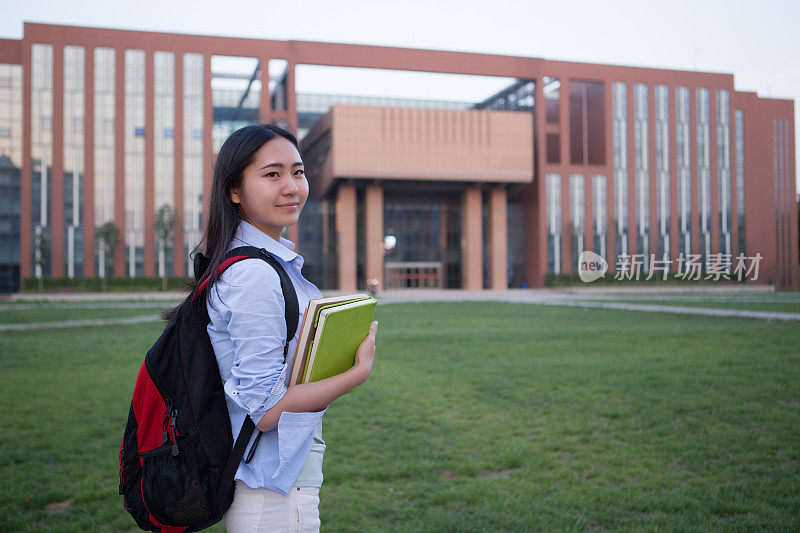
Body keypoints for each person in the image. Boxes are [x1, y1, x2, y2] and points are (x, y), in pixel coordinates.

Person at [195, 123, 378, 532]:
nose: (292, 186)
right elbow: (265, 409)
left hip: (276, 486)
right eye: (272, 174)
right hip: (271, 496)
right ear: (234, 191)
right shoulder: (255, 275)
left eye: (297, 171)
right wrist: (355, 374)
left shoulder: (265, 262)